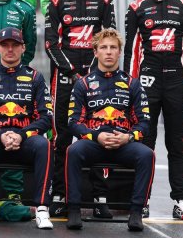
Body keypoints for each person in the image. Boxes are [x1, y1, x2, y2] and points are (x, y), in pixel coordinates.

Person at [124, 0, 183, 220]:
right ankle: (141, 200)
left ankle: (180, 201)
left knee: (176, 144)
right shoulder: (136, 7)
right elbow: (131, 51)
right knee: (145, 142)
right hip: (147, 80)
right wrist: (129, 84)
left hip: (176, 81)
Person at [44, 0, 115, 218]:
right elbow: (50, 43)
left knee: (100, 131)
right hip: (65, 76)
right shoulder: (57, 0)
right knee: (61, 135)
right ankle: (60, 194)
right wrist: (72, 71)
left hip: (97, 75)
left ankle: (100, 197)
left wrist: (92, 71)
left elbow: (108, 38)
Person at [66, 28, 153, 232]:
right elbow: (73, 122)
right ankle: (74, 210)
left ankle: (136, 212)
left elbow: (145, 122)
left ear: (119, 52)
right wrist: (96, 136)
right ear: (95, 52)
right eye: (103, 47)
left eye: (113, 47)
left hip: (123, 143)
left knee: (147, 154)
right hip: (94, 142)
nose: (108, 52)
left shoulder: (132, 84)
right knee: (73, 151)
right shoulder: (82, 84)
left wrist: (128, 137)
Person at [0, 27, 53, 229]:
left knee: (44, 145)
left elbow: (46, 117)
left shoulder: (36, 78)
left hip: (25, 141)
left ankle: (42, 208)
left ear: (23, 48)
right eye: (5, 45)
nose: (10, 49)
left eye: (15, 45)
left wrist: (22, 135)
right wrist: (0, 135)